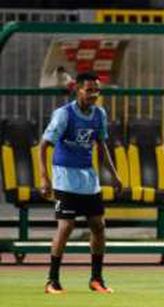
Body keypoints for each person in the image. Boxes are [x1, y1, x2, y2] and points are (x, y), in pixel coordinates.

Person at [38, 71, 122, 294]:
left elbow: (101, 146)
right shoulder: (64, 115)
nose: (93, 95)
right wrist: (44, 177)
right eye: (89, 90)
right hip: (64, 177)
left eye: (96, 90)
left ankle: (96, 279)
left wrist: (113, 175)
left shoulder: (99, 114)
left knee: (99, 226)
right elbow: (43, 146)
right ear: (78, 90)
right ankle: (52, 281)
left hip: (88, 179)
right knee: (66, 226)